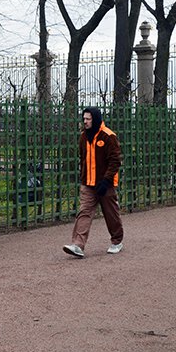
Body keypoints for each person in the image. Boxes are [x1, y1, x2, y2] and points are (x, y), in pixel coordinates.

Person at [62, 107, 123, 258]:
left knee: (111, 213)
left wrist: (106, 181)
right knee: (84, 212)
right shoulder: (83, 137)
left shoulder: (109, 136)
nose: (85, 122)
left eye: (88, 119)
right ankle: (77, 245)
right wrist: (83, 177)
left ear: (95, 119)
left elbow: (115, 161)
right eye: (84, 119)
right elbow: (83, 159)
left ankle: (117, 241)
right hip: (88, 183)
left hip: (105, 184)